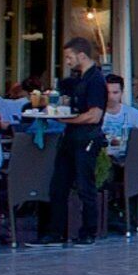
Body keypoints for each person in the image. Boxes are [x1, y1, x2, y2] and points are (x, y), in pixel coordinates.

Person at [44, 40, 113, 242]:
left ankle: (89, 231)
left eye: (69, 57)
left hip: (87, 137)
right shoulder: (78, 78)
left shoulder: (96, 80)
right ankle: (55, 232)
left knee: (85, 186)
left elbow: (94, 115)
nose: (67, 61)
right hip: (70, 136)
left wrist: (66, 119)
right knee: (58, 185)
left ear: (81, 55)